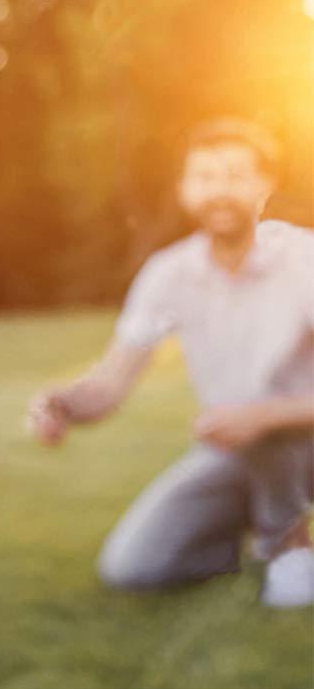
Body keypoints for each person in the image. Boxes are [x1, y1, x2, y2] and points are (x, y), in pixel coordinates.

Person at [28, 117, 314, 607]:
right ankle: (248, 531)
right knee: (133, 567)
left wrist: (263, 414)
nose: (218, 191)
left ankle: (288, 547)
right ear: (184, 189)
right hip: (234, 453)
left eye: (233, 175)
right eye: (204, 178)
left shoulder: (303, 260)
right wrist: (65, 404)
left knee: (267, 424)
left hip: (304, 441)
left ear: (265, 185)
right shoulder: (169, 274)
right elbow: (110, 384)